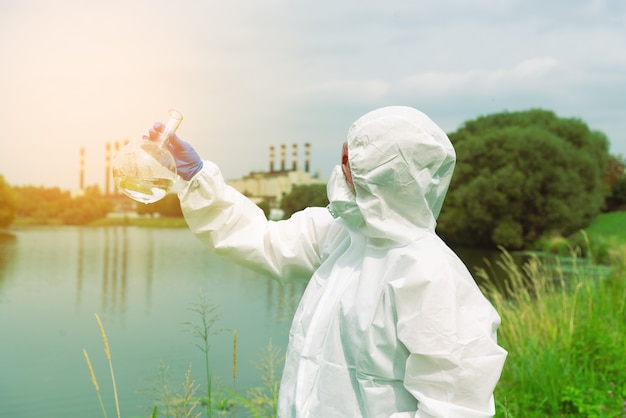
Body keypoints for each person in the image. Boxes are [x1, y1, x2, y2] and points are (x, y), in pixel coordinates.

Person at [146, 106, 507, 417]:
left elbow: (455, 407)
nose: (343, 163)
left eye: (354, 156)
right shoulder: (342, 235)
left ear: (382, 172)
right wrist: (197, 178)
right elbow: (261, 239)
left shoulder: (430, 275)